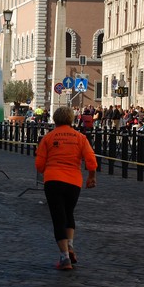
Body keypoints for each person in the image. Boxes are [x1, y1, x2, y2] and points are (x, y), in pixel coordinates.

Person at [35, 106, 97, 271]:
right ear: (71, 119)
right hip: (73, 181)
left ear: (55, 120)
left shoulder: (48, 137)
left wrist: (46, 169)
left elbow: (39, 165)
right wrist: (91, 177)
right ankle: (70, 246)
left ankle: (64, 258)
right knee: (68, 213)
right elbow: (90, 159)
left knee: (58, 217)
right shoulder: (80, 137)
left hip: (53, 180)